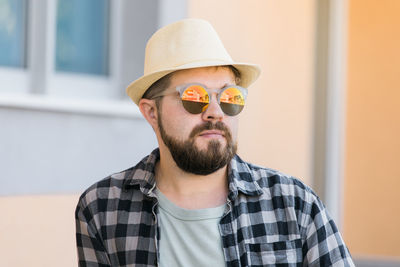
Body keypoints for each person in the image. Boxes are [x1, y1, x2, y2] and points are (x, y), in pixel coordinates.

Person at [75, 18, 354, 267]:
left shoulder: (295, 204)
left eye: (229, 96)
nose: (215, 111)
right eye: (194, 97)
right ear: (151, 112)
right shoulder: (103, 208)